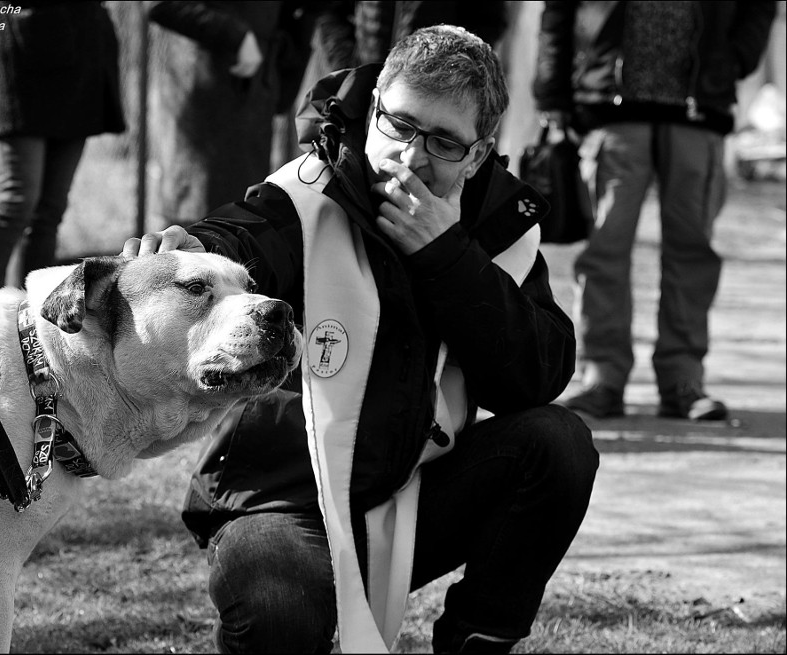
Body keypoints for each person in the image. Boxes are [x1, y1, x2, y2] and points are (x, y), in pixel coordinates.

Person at [124, 25, 599, 654]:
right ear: (373, 107)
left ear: (480, 154)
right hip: (283, 499)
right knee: (279, 608)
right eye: (399, 125)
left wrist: (447, 257)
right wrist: (197, 249)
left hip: (411, 491)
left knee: (557, 444)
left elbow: (537, 377)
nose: (410, 157)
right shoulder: (305, 192)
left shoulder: (497, 225)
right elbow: (244, 238)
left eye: (443, 142)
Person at [533, 1, 777, 421]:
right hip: (611, 108)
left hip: (699, 108)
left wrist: (735, 58)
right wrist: (551, 91)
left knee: (692, 250)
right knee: (605, 249)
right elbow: (558, 10)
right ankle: (602, 378)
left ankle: (683, 380)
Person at [0, 0, 126, 305]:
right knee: (14, 202)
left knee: (48, 210)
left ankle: (27, 315)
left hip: (80, 54)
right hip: (19, 49)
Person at [146, 1, 318, 227]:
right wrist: (237, 37)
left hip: (255, 94)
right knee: (192, 225)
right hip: (203, 94)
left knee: (239, 221)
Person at [315, 1, 508, 71]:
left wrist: (446, 69)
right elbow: (330, 11)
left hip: (431, 99)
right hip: (363, 90)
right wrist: (348, 66)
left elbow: (488, 21)